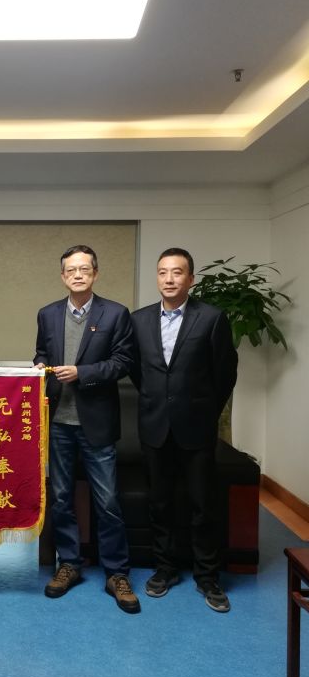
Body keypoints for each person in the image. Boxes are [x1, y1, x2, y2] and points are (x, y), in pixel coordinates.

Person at [130, 247, 238, 612]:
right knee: (160, 503)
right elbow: (138, 371)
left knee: (202, 504)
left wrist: (204, 410)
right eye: (163, 272)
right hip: (154, 425)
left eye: (177, 272)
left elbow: (225, 373)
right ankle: (165, 569)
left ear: (190, 279)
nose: (169, 279)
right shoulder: (139, 320)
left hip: (196, 427)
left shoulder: (212, 318)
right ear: (157, 277)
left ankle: (207, 576)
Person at [34, 245, 139, 613]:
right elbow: (42, 352)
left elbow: (123, 362)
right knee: (61, 499)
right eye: (71, 270)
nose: (77, 275)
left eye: (84, 269)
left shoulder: (115, 313)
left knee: (107, 502)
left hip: (96, 422)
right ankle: (69, 564)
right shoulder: (47, 314)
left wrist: (83, 373)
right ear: (63, 276)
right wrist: (40, 365)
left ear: (95, 273)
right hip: (57, 423)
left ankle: (117, 573)